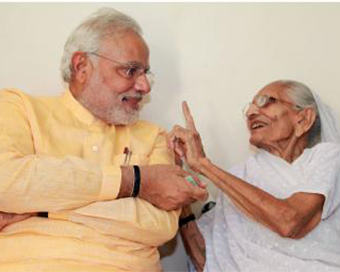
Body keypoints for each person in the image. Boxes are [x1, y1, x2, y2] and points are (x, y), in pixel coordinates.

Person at [0, 8, 207, 271]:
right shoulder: (18, 107)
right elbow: (6, 181)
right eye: (130, 71)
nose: (145, 86)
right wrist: (133, 181)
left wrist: (40, 208)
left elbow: (159, 226)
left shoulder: (154, 136)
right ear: (82, 66)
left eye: (145, 72)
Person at [168, 79, 340, 271]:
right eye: (249, 108)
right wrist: (178, 179)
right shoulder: (239, 176)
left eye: (265, 101)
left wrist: (204, 165)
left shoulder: (328, 157)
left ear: (303, 119)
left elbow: (290, 222)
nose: (250, 113)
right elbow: (205, 260)